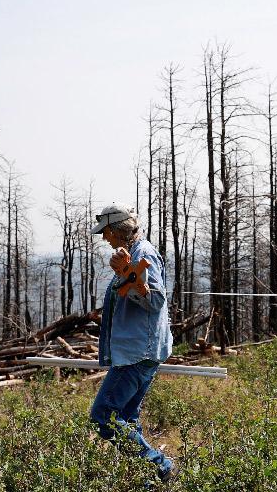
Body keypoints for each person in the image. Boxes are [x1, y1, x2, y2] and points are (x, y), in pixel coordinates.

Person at [88, 203, 177, 483]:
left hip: (138, 353)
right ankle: (145, 481)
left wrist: (128, 275)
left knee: (103, 416)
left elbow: (156, 301)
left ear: (117, 230)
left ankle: (160, 466)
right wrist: (124, 274)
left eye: (106, 232)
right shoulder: (131, 253)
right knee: (126, 418)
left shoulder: (143, 253)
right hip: (140, 350)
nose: (104, 238)